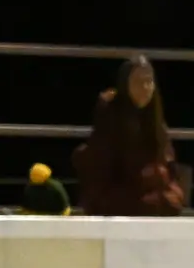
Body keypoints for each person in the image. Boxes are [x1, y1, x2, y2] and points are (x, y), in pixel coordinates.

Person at [73, 57, 186, 216]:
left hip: (152, 196)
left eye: (149, 82)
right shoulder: (111, 117)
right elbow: (103, 175)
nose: (145, 88)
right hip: (122, 198)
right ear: (125, 84)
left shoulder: (155, 119)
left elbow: (168, 163)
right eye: (138, 82)